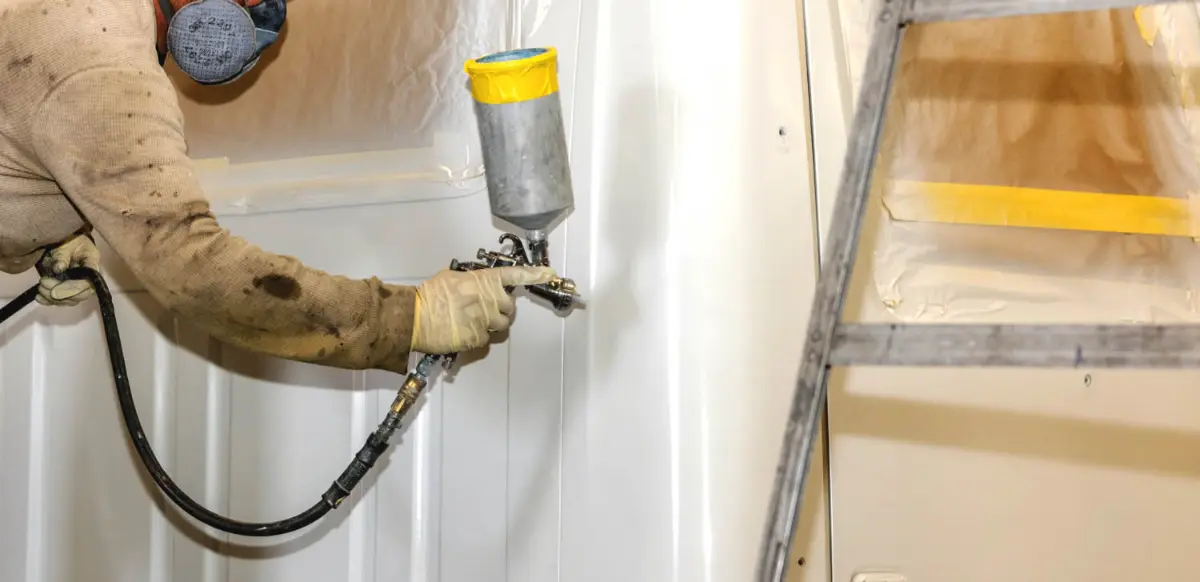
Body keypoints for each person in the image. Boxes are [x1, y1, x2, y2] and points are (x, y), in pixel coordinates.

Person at [0, 0, 556, 374]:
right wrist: (410, 318)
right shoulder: (100, 63)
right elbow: (194, 269)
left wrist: (43, 232)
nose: (260, 19)